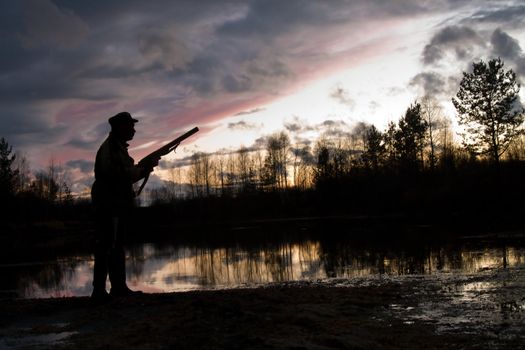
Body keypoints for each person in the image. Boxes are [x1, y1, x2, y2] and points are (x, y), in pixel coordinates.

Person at [90, 112, 159, 300]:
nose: (134, 129)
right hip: (108, 203)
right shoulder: (111, 148)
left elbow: (126, 173)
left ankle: (117, 288)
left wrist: (143, 168)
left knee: (115, 245)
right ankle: (100, 292)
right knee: (107, 245)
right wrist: (145, 168)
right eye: (130, 126)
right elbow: (123, 175)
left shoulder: (117, 147)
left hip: (113, 203)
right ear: (120, 127)